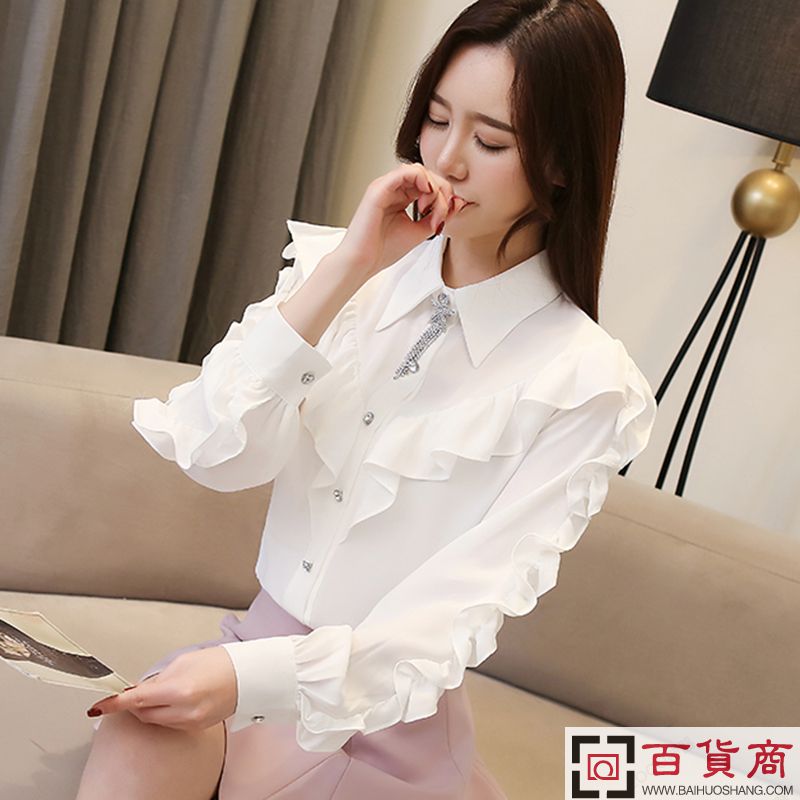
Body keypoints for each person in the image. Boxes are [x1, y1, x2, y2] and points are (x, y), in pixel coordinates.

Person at [76, 0, 657, 797]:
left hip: (382, 734)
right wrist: (349, 267)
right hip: (235, 674)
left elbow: (446, 619)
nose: (446, 160)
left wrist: (253, 679)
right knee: (134, 738)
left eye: (490, 141)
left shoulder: (585, 382)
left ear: (561, 163)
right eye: (436, 120)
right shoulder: (350, 274)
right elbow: (217, 452)